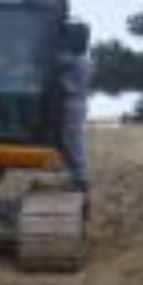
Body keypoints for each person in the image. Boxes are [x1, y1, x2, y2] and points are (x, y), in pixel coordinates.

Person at [56, 21, 91, 193]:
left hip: (72, 103)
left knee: (72, 141)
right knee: (67, 140)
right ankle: (76, 177)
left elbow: (54, 60)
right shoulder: (82, 60)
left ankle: (80, 180)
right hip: (75, 103)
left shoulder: (74, 60)